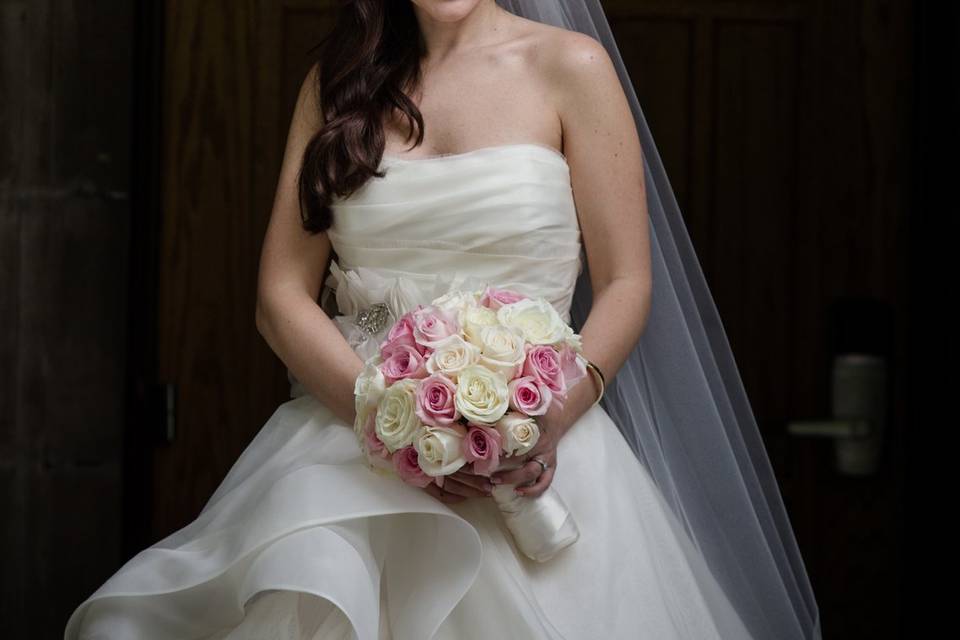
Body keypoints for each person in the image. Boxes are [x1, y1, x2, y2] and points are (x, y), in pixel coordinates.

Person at [65, 1, 821, 638]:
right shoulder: (338, 85)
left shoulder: (573, 69)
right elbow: (280, 296)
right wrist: (387, 419)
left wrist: (550, 417)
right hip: (352, 448)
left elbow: (626, 282)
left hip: (539, 446)